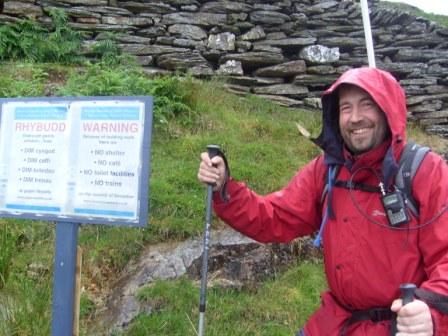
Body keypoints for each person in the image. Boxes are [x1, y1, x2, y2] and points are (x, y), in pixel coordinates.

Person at [197, 67, 448, 335]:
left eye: (367, 105)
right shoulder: (327, 171)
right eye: (345, 108)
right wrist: (225, 188)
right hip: (335, 323)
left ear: (388, 110)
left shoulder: (424, 171)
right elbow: (273, 217)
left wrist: (430, 314)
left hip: (401, 328)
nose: (355, 118)